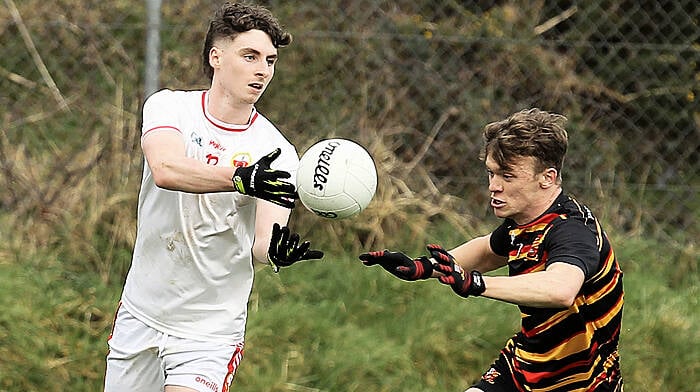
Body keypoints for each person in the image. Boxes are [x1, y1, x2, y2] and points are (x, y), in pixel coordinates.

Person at [104, 3, 323, 391]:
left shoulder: (277, 152)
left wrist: (275, 251)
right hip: (143, 312)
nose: (263, 70)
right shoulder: (169, 107)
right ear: (216, 57)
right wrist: (239, 179)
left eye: (270, 60)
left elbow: (261, 241)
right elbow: (166, 169)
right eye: (250, 56)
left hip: (209, 332)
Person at [360, 108, 624, 391]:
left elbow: (560, 289)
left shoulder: (572, 230)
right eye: (491, 173)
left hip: (581, 383)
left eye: (507, 177)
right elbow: (488, 250)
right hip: (523, 367)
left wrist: (476, 284)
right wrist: (424, 267)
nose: (493, 187)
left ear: (547, 178)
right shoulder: (523, 221)